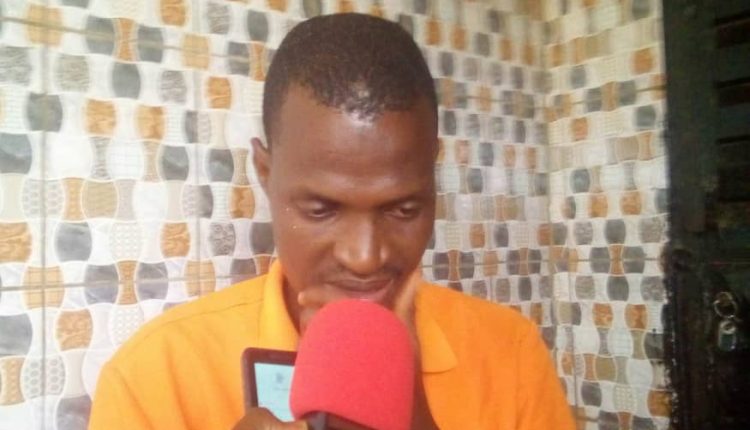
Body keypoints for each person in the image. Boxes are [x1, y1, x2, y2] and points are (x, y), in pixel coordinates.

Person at [88, 13, 575, 430]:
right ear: (265, 173)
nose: (364, 258)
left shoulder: (509, 351)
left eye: (403, 209)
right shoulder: (154, 378)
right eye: (321, 210)